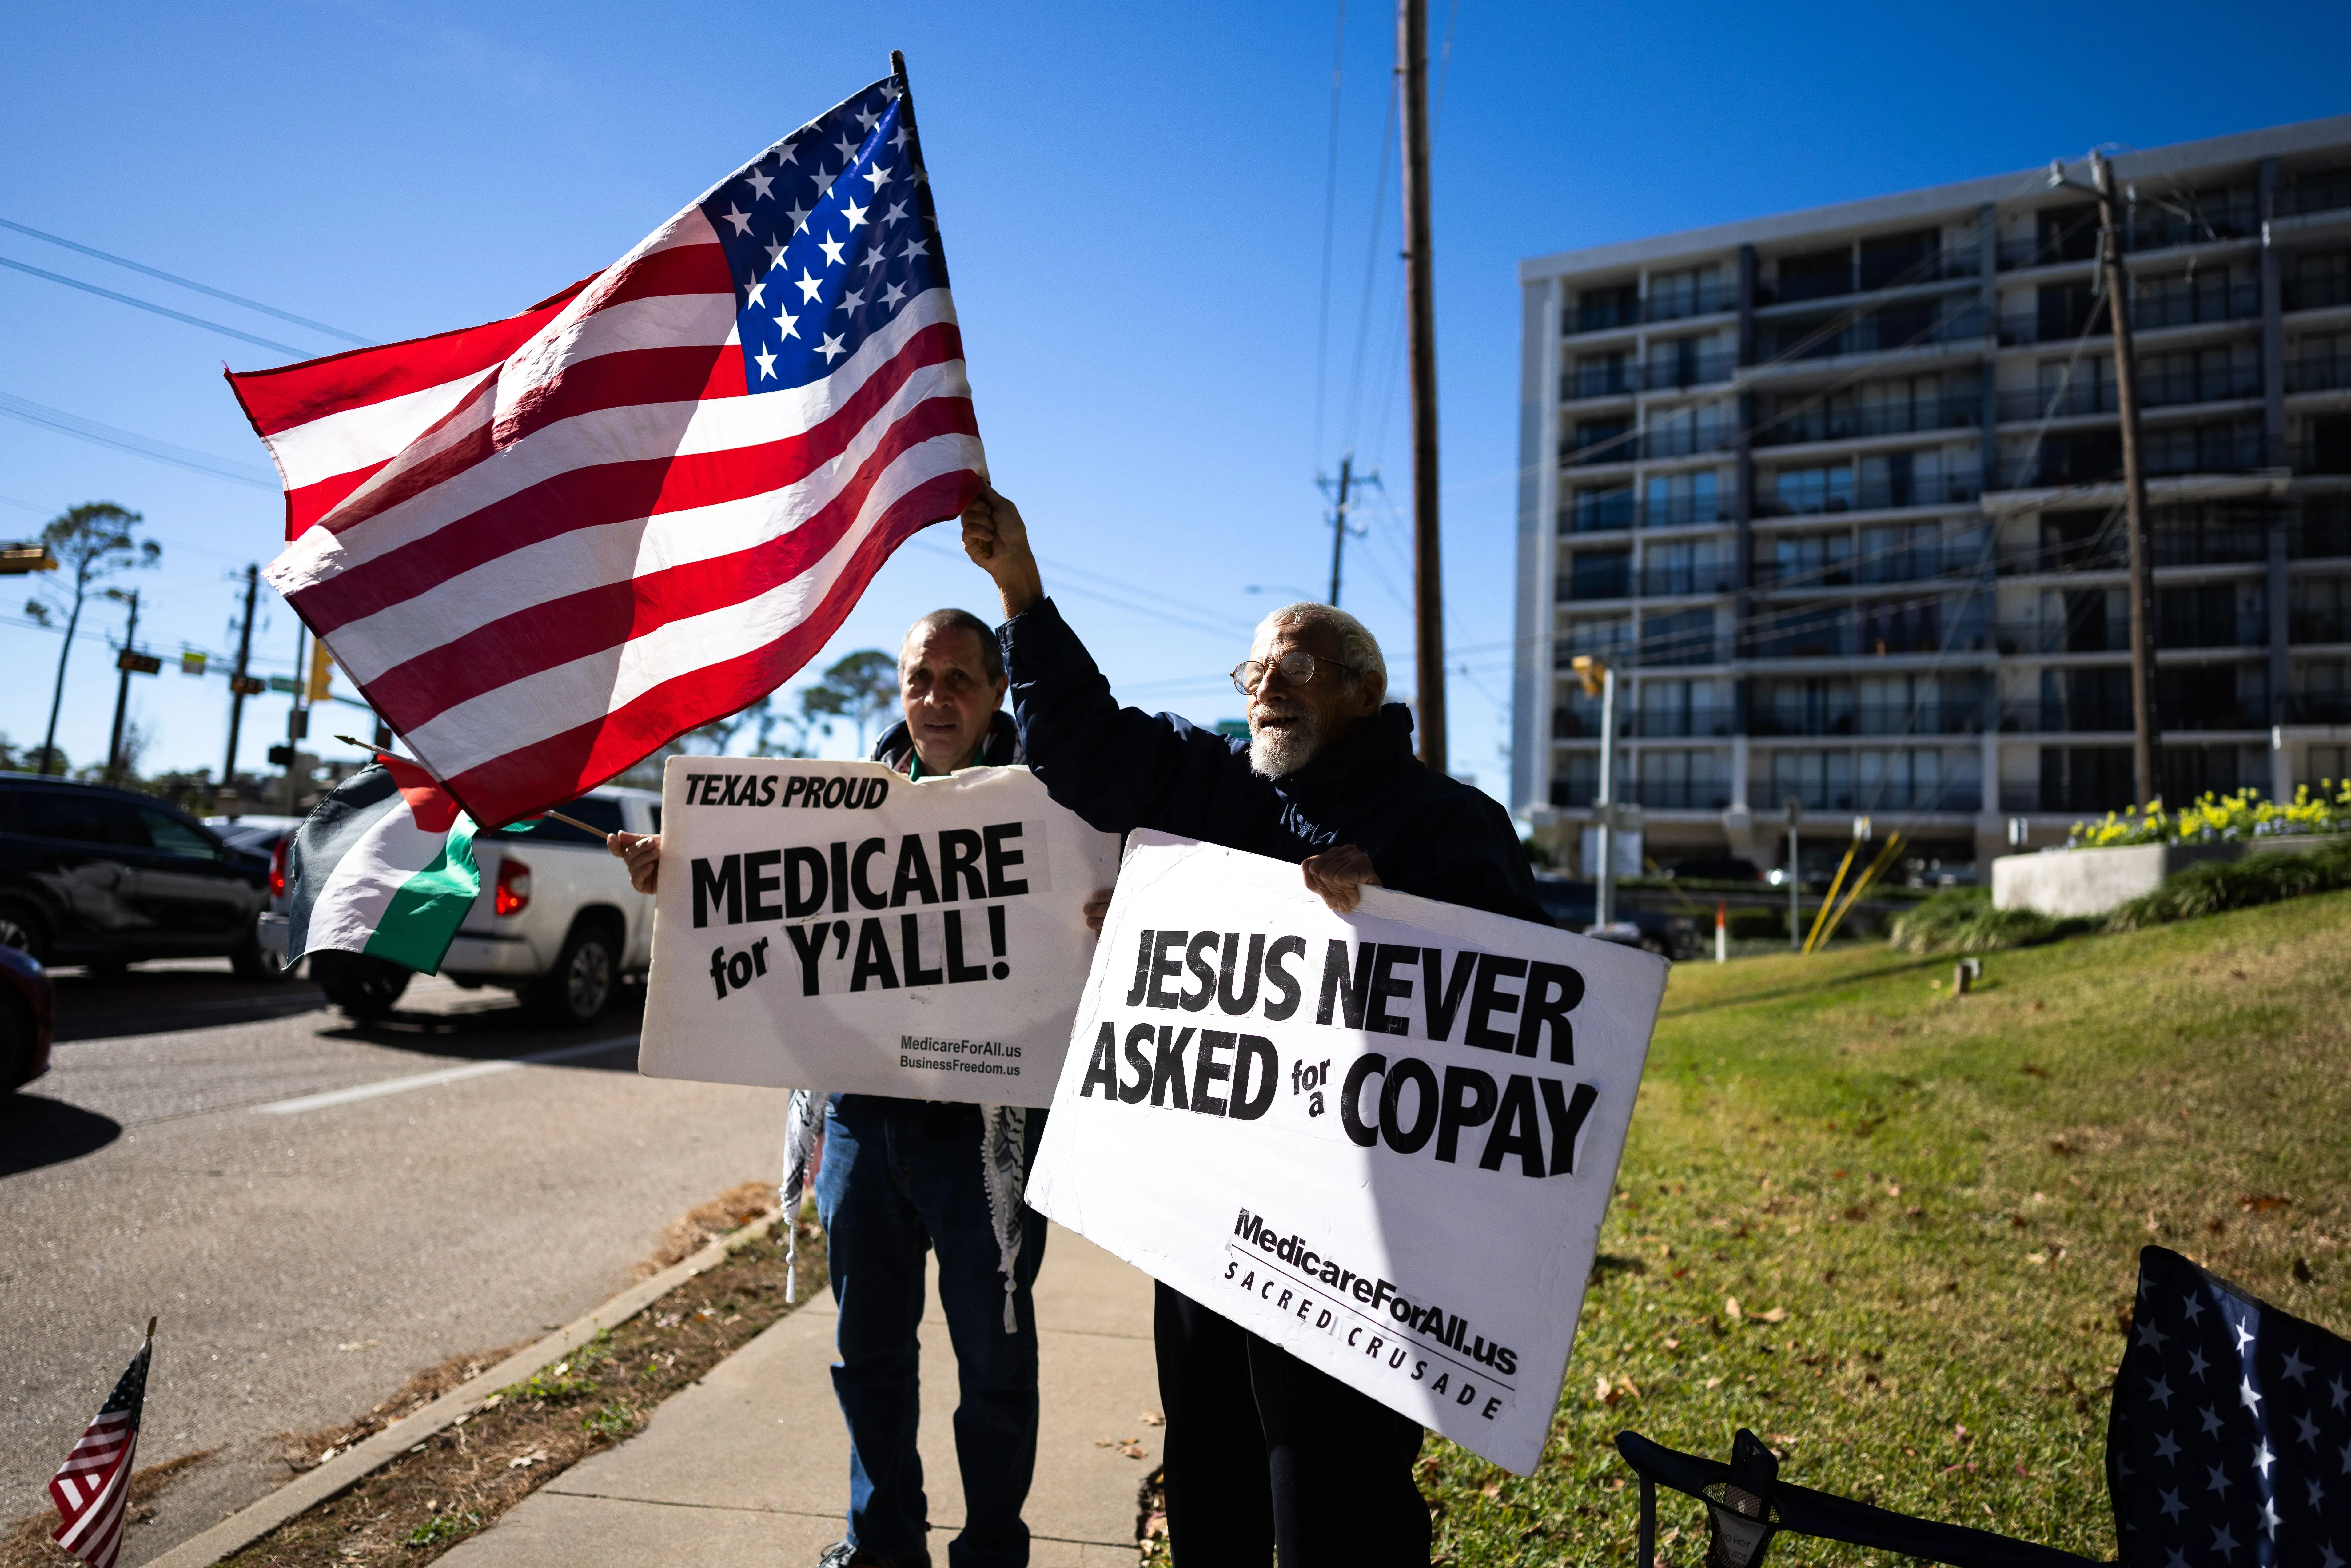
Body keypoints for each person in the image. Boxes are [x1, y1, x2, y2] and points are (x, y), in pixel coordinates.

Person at [958, 484, 1548, 1568]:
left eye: (1294, 669)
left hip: (1357, 1234)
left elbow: (1516, 1009)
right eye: (1254, 674)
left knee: (1331, 1487)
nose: (1265, 688)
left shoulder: (1447, 823)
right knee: (1211, 1461)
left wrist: (1394, 909)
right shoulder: (1219, 789)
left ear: (1364, 694)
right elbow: (1084, 747)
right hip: (1207, 1208)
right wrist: (1021, 591)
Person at [612, 607, 1104, 1568]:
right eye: (922, 678)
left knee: (995, 1360)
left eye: (961, 679)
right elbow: (751, 897)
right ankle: (882, 1539)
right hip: (859, 1126)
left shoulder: (1055, 803)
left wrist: (1110, 910)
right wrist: (672, 878)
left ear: (1000, 691)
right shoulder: (837, 807)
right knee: (868, 1353)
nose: (937, 698)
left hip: (984, 1140)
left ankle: (994, 1546)